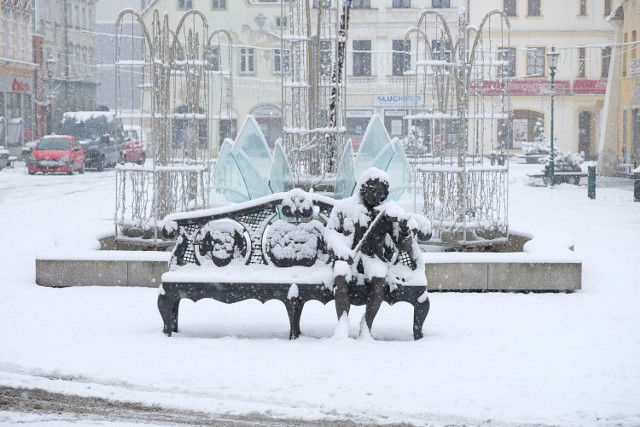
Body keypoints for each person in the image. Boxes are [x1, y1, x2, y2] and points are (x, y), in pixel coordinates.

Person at [325, 167, 428, 338]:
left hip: (373, 259)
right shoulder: (343, 208)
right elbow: (330, 234)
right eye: (373, 191)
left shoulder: (387, 213)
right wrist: (342, 251)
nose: (376, 196)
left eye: (381, 193)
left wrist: (403, 230)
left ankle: (367, 326)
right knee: (341, 276)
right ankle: (342, 324)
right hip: (349, 257)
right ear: (363, 189)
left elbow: (402, 246)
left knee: (379, 279)